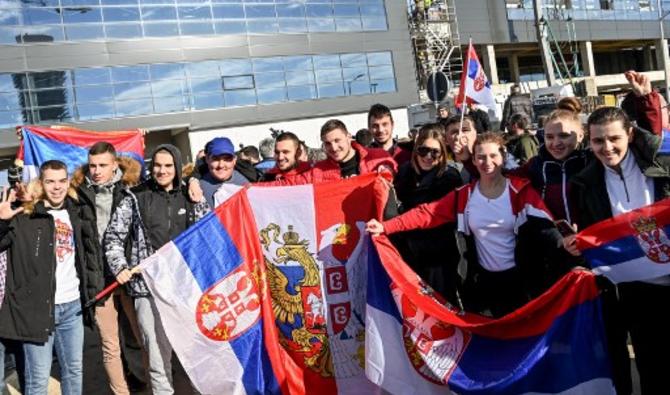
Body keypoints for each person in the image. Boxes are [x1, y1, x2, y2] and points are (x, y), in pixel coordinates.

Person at [367, 133, 565, 317]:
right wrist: (386, 227)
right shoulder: (465, 195)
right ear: (474, 160)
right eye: (481, 157)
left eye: (493, 156)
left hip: (521, 281)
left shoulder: (520, 191)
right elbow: (426, 213)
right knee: (491, 340)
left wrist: (566, 244)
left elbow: (547, 226)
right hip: (483, 284)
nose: (487, 163)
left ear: (503, 157)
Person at [565, 107, 670, 395]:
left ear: (630, 134)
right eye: (598, 141)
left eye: (614, 139)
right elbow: (592, 235)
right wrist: (579, 244)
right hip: (637, 289)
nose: (607, 147)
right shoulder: (586, 183)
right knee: (650, 366)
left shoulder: (664, 162)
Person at [104, 145, 209, 395]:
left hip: (186, 290)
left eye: (168, 166)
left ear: (176, 166)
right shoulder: (135, 196)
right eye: (157, 165)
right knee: (157, 359)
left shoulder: (189, 194)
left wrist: (199, 195)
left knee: (197, 356)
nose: (161, 171)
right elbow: (113, 237)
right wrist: (120, 266)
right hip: (147, 289)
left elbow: (207, 232)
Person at [0, 160, 100, 395]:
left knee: (74, 371)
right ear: (41, 184)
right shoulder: (25, 215)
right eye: (50, 181)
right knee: (38, 380)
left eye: (62, 181)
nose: (57, 187)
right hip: (37, 310)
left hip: (72, 307)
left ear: (68, 182)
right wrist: (2, 222)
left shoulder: (75, 210)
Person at [72, 142, 146, 395]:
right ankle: (120, 391)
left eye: (103, 165)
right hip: (98, 279)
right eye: (92, 165)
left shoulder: (132, 190)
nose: (96, 170)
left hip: (128, 275)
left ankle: (145, 382)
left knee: (139, 337)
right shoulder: (77, 194)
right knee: (109, 345)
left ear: (115, 164)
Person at [393, 123, 463, 304]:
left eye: (435, 152)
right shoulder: (403, 173)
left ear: (442, 154)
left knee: (442, 307)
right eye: (423, 150)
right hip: (408, 255)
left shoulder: (449, 177)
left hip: (438, 257)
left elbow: (430, 214)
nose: (428, 157)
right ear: (416, 149)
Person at [273, 119, 397, 184]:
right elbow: (291, 184)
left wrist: (390, 170)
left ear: (348, 137)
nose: (333, 147)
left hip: (376, 228)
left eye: (337, 140)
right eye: (327, 143)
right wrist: (255, 189)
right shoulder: (318, 171)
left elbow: (399, 174)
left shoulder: (377, 156)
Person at [197, 137, 248, 207]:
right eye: (215, 159)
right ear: (207, 159)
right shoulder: (198, 188)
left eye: (227, 159)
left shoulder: (245, 185)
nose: (221, 165)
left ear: (234, 160)